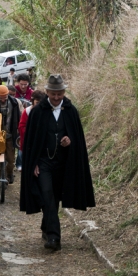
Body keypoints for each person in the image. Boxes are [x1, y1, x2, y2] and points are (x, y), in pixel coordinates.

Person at [20, 74, 95, 251]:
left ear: (63, 92)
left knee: (56, 196)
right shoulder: (38, 112)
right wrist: (34, 163)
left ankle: (47, 226)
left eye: (59, 94)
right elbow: (31, 141)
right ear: (47, 92)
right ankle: (54, 238)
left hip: (64, 162)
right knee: (46, 193)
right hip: (44, 161)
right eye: (53, 94)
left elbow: (77, 138)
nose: (56, 97)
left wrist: (70, 142)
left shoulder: (70, 110)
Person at [0, 84, 21, 184]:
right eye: (0, 98)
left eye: (4, 97)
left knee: (10, 160)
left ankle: (9, 173)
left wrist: (17, 131)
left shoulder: (14, 102)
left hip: (10, 134)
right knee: (0, 157)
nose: (2, 100)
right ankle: (3, 177)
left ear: (8, 94)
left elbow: (18, 117)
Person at [16, 90, 45, 170]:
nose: (39, 105)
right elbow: (21, 126)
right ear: (33, 101)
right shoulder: (27, 111)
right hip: (29, 140)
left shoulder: (45, 112)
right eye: (37, 102)